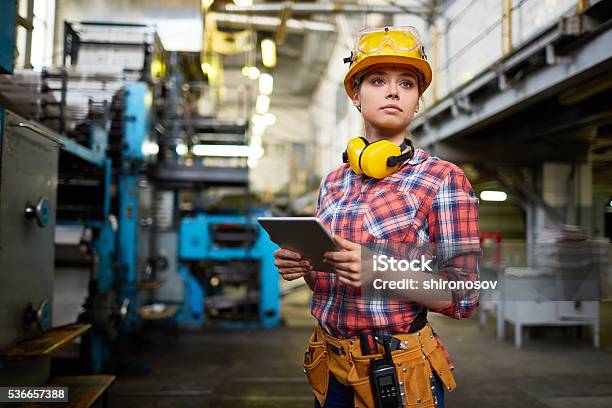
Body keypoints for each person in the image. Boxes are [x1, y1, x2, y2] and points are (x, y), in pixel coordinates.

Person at [274, 26, 480, 408]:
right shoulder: (334, 182)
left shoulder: (442, 180)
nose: (392, 91)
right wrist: (304, 265)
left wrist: (380, 270)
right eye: (377, 80)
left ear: (417, 101)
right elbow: (326, 282)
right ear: (355, 94)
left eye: (406, 83)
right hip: (329, 362)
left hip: (398, 371)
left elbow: (465, 297)